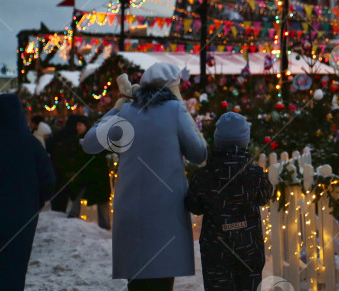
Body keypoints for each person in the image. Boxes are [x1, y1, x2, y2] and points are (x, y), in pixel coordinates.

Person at [83, 62, 207, 291]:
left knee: (138, 283)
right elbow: (199, 153)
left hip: (130, 213)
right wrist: (185, 112)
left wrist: (117, 107)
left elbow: (90, 144)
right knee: (161, 282)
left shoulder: (127, 112)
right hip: (166, 213)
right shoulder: (175, 110)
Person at [185, 112, 271, 291]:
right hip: (249, 250)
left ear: (217, 141)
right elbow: (265, 196)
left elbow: (193, 205)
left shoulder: (204, 177)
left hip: (216, 252)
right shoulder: (255, 175)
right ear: (245, 142)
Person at [0, 93, 55, 291]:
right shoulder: (31, 144)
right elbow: (48, 182)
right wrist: (35, 203)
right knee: (14, 269)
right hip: (22, 218)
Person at [46, 114, 88, 213]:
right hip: (69, 172)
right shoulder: (74, 137)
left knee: (58, 200)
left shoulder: (59, 134)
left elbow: (48, 147)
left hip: (57, 170)